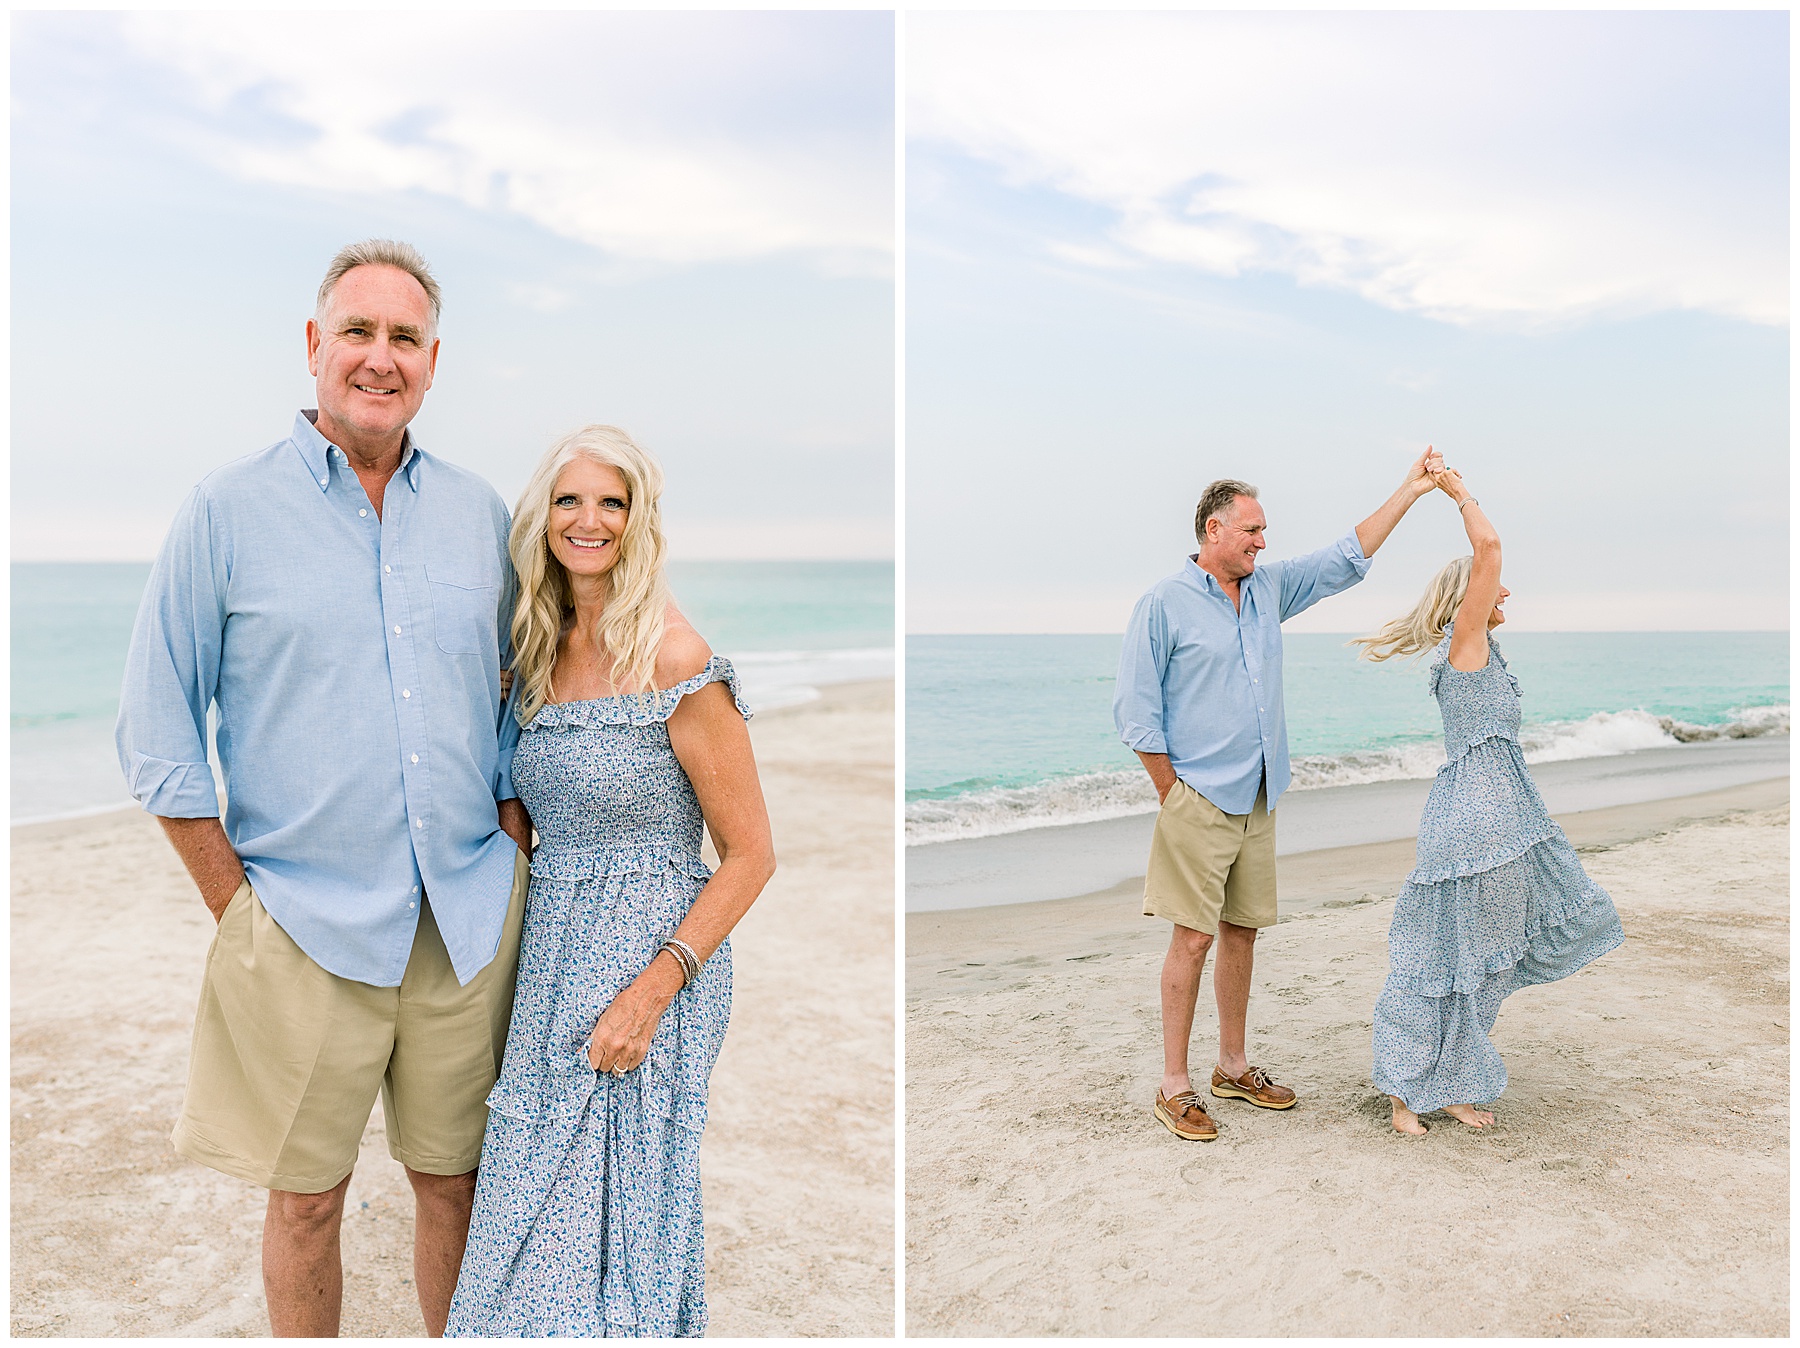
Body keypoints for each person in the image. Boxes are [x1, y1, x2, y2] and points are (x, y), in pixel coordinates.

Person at [116, 239, 532, 1337]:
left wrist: (509, 833)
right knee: (306, 1203)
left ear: (433, 363)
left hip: (464, 925)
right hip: (301, 927)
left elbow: (512, 700)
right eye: (358, 331)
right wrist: (239, 909)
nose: (379, 357)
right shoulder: (225, 510)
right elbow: (157, 729)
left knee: (459, 1188)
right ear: (314, 347)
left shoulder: (482, 515)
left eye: (404, 338)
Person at [445, 425, 776, 1337]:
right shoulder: (533, 654)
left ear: (640, 522)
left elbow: (750, 856)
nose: (589, 521)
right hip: (551, 955)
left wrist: (652, 991)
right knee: (527, 1203)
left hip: (655, 966)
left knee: (625, 1221)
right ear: (541, 518)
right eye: (569, 500)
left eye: (612, 502)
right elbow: (514, 817)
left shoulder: (674, 659)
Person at [1114, 450, 1444, 1142]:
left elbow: (1345, 557)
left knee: (1241, 932)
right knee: (1192, 938)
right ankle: (1174, 1086)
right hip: (1197, 798)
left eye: (1263, 532)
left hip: (1260, 795)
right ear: (1213, 530)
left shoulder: (1267, 590)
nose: (1263, 543)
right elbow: (1136, 714)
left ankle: (1232, 1067)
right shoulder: (1163, 604)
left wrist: (1410, 491)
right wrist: (1174, 794)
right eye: (1251, 531)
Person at [1353, 466, 1624, 1135]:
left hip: (1505, 822)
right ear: (1468, 596)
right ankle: (1403, 1092)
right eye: (1489, 584)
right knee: (1441, 957)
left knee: (1478, 963)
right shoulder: (1466, 642)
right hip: (1475, 825)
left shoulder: (1486, 651)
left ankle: (1449, 1085)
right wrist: (1454, 490)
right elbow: (1491, 552)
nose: (1504, 587)